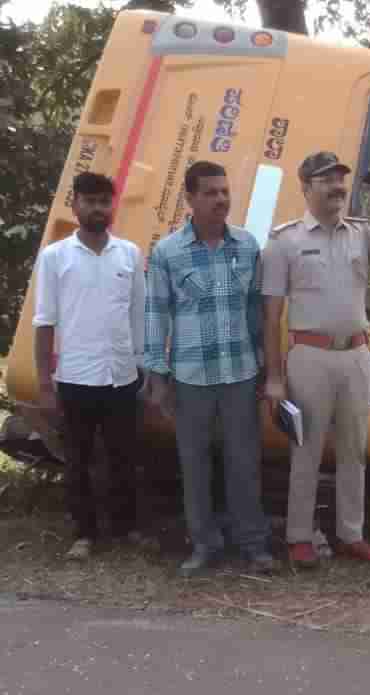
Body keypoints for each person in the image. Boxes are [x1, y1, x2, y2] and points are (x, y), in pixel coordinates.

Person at [261, 151, 370, 568]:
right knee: (306, 450)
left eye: (341, 179)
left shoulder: (361, 234)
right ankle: (299, 538)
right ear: (306, 187)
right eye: (327, 180)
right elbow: (270, 317)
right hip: (309, 356)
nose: (338, 187)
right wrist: (274, 378)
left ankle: (351, 535)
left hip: (356, 355)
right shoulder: (284, 241)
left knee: (354, 449)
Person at [144, 161, 276, 577]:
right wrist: (157, 376)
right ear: (190, 198)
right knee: (195, 463)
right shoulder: (168, 253)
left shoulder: (247, 247)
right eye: (211, 192)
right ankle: (204, 545)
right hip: (191, 379)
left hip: (239, 375)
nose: (221, 199)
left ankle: (253, 545)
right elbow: (156, 315)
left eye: (224, 191)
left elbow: (257, 312)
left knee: (244, 461)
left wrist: (265, 368)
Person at [32, 172, 145, 560]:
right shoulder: (55, 257)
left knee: (124, 457)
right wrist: (45, 386)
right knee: (78, 460)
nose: (98, 209)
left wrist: (140, 366)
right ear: (75, 204)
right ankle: (84, 534)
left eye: (104, 202)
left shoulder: (129, 253)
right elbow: (44, 322)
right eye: (90, 201)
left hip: (122, 377)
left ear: (112, 206)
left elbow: (137, 314)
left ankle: (126, 528)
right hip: (75, 377)